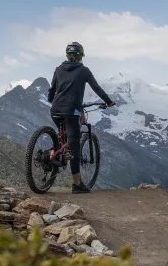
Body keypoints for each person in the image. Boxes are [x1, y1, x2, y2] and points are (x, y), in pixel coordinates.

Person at [47, 42, 116, 194]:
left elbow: (51, 92)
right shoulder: (84, 71)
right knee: (75, 147)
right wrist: (109, 102)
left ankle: (58, 151)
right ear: (81, 56)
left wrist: (54, 101)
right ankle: (77, 185)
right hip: (71, 112)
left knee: (63, 136)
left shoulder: (58, 70)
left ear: (67, 55)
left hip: (55, 110)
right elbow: (97, 88)